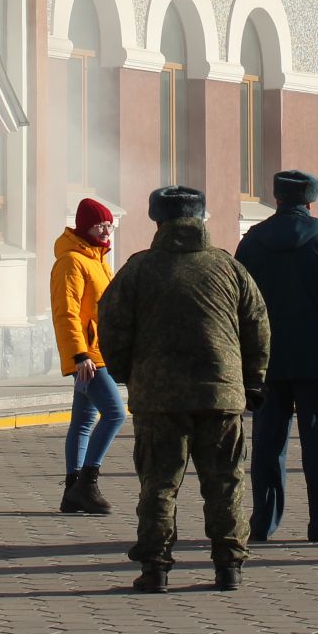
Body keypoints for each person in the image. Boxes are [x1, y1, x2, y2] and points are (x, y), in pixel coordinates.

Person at [97, 186, 271, 593]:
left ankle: (154, 569)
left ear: (157, 220)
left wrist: (128, 373)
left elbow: (111, 324)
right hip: (221, 394)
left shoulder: (138, 269)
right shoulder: (229, 268)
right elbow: (257, 325)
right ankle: (229, 567)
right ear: (203, 218)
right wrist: (254, 378)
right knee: (226, 481)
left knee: (158, 484)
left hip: (158, 399)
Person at [236, 170, 318, 545]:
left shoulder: (253, 241)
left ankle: (263, 522)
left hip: (266, 359)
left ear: (276, 198)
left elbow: (238, 297)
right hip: (312, 356)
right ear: (310, 200)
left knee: (267, 443)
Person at [50, 198, 126, 514]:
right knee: (115, 413)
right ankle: (88, 482)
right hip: (89, 357)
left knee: (83, 422)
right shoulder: (71, 262)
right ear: (85, 227)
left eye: (110, 225)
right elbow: (65, 313)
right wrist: (79, 355)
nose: (107, 231)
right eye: (101, 225)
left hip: (99, 353)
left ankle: (72, 490)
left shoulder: (97, 260)